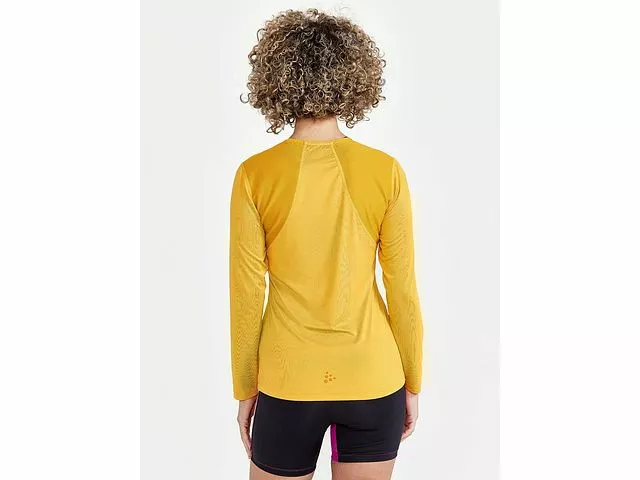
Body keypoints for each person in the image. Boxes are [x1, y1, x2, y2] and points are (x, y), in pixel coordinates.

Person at [229, 9, 424, 480]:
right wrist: (413, 380)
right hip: (373, 377)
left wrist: (246, 388)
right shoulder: (385, 171)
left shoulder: (255, 175)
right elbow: (402, 289)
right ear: (355, 77)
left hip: (288, 381)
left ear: (275, 78)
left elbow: (247, 295)